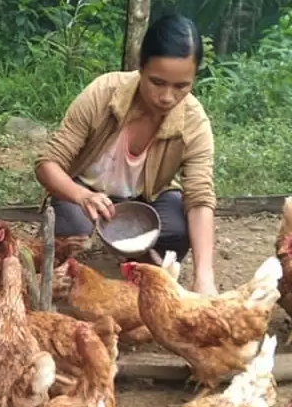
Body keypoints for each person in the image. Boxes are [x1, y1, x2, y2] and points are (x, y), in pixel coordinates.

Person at [34, 13, 217, 296]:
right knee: (71, 228)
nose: (168, 97)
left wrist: (205, 275)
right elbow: (47, 165)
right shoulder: (103, 94)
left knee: (177, 233)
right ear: (140, 67)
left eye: (182, 86)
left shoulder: (194, 122)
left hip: (147, 200)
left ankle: (133, 270)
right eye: (157, 82)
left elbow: (200, 197)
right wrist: (82, 196)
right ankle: (77, 269)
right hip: (85, 190)